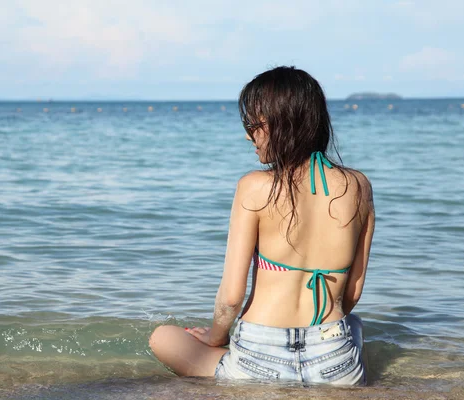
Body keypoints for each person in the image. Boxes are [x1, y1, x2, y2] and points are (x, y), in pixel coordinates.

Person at [149, 66, 375, 385]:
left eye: (254, 125)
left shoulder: (254, 187)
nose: (248, 135)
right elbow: (352, 290)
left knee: (163, 337)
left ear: (283, 124)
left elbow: (231, 297)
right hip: (334, 362)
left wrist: (215, 338)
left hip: (259, 360)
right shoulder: (359, 186)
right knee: (354, 325)